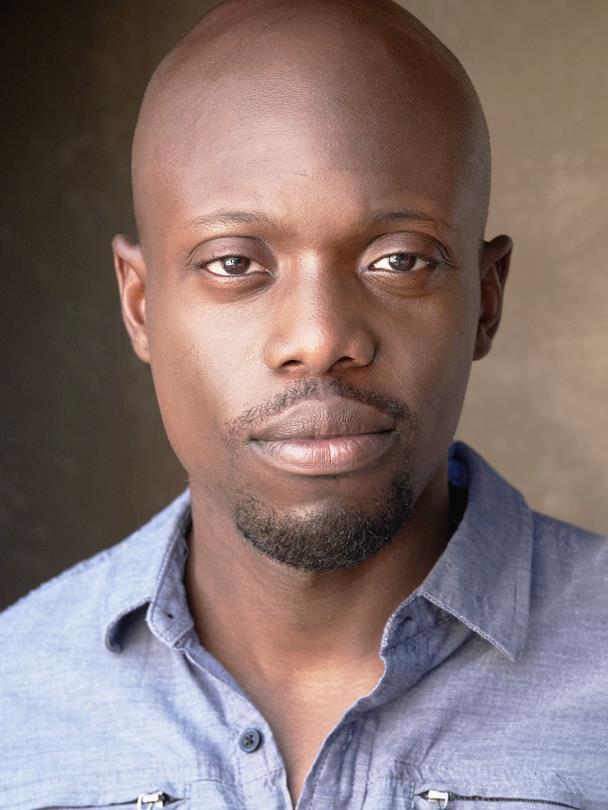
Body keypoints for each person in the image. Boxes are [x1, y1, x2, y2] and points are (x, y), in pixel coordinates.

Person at [1, 0, 606, 808]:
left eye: (400, 260)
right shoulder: (15, 704)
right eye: (233, 264)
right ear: (140, 305)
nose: (319, 339)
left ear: (485, 303)